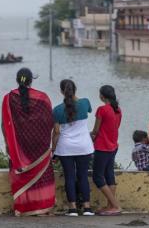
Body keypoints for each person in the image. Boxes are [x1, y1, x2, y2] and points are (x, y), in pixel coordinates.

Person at [1, 68, 55, 216]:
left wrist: (8, 143)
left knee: (21, 174)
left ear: (17, 79)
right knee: (42, 175)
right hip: (40, 145)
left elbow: (5, 124)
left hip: (19, 147)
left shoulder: (8, 98)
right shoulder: (43, 98)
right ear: (31, 80)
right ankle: (43, 207)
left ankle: (23, 208)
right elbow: (49, 121)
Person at [52, 79, 95, 216]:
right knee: (83, 176)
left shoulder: (57, 110)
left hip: (65, 148)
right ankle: (87, 208)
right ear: (75, 89)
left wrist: (53, 150)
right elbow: (88, 110)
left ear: (61, 91)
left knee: (69, 177)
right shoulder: (85, 102)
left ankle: (72, 209)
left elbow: (57, 132)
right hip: (84, 147)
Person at [90, 85, 121, 216]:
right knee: (109, 175)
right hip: (113, 146)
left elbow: (95, 131)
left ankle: (115, 205)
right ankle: (110, 206)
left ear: (102, 96)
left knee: (97, 177)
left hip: (102, 147)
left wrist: (88, 137)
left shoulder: (102, 110)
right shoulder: (118, 110)